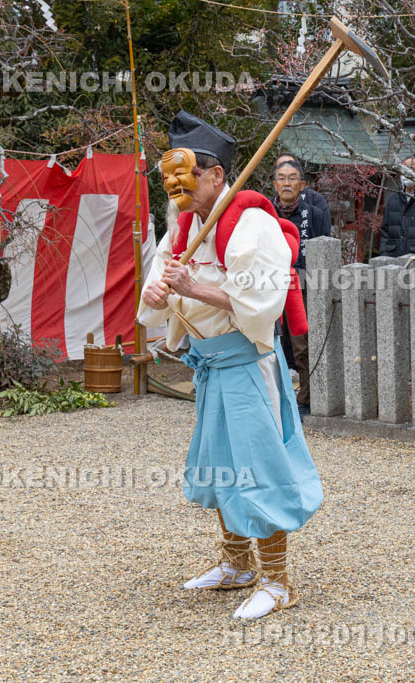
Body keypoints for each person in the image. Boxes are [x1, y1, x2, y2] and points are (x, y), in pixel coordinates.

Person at [138, 111, 323, 619]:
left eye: (189, 174)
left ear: (216, 174)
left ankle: (279, 581)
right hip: (211, 366)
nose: (179, 186)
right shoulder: (182, 227)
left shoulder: (252, 223)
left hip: (247, 364)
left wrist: (192, 287)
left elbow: (261, 303)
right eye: (171, 176)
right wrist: (157, 292)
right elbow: (157, 294)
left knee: (260, 467)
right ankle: (237, 565)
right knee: (218, 463)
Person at [270, 159, 331, 415]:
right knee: (271, 343)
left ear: (302, 185)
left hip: (303, 286)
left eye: (292, 178)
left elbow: (324, 250)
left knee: (301, 345)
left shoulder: (314, 214)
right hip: (270, 285)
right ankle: (274, 396)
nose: (286, 183)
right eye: (281, 178)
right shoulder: (264, 215)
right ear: (274, 184)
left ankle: (305, 397)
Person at [274, 152, 331, 220]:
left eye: (291, 164)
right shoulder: (268, 207)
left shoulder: (315, 200)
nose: (286, 168)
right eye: (281, 166)